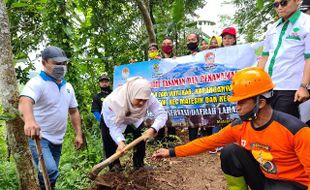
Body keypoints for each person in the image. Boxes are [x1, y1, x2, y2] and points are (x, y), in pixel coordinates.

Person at [153, 67, 310, 190]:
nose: (237, 108)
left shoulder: (296, 130)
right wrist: (171, 152)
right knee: (230, 151)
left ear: (260, 102)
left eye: (241, 102)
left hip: (293, 184)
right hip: (264, 179)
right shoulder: (240, 127)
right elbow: (207, 142)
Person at [18, 46, 83, 189]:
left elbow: (73, 111)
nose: (61, 67)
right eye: (56, 63)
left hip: (58, 139)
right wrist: (29, 121)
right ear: (44, 63)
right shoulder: (37, 83)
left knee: (49, 173)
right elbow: (25, 100)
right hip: (40, 138)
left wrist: (78, 134)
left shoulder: (68, 87)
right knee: (51, 171)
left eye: (64, 64)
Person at [101, 77, 167, 170]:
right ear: (131, 94)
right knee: (109, 141)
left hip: (135, 119)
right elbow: (113, 127)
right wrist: (120, 142)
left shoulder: (149, 97)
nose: (141, 103)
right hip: (113, 120)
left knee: (140, 136)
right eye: (139, 99)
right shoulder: (111, 102)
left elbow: (162, 114)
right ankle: (114, 167)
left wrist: (153, 129)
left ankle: (139, 164)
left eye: (144, 100)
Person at [258, 0, 310, 118]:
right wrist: (256, 84)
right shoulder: (272, 27)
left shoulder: (307, 24)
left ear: (298, 1)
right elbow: (264, 57)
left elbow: (309, 58)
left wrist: (304, 86)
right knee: (269, 128)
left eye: (284, 3)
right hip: (267, 89)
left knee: (285, 128)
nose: (279, 7)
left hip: (290, 88)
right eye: (276, 5)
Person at [91, 74, 112, 158]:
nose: (104, 83)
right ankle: (113, 165)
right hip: (105, 123)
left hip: (118, 121)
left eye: (106, 81)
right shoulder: (97, 97)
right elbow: (95, 111)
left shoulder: (115, 92)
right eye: (102, 82)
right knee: (108, 144)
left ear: (109, 83)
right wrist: (102, 121)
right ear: (99, 84)